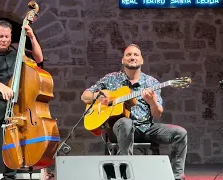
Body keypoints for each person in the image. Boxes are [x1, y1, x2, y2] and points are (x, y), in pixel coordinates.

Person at [80, 44, 187, 180]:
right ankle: (127, 174)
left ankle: (177, 177)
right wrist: (98, 97)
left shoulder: (151, 82)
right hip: (119, 129)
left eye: (136, 55)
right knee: (126, 122)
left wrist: (152, 102)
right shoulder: (111, 78)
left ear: (142, 60)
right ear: (123, 60)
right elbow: (84, 96)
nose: (132, 57)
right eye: (128, 55)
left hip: (147, 128)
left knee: (180, 133)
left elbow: (157, 114)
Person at [0, 20, 43, 180]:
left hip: (16, 102)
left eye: (7, 36)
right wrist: (1, 86)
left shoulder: (17, 49)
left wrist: (32, 37)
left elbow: (39, 58)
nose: (4, 39)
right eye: (0, 36)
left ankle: (10, 176)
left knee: (13, 138)